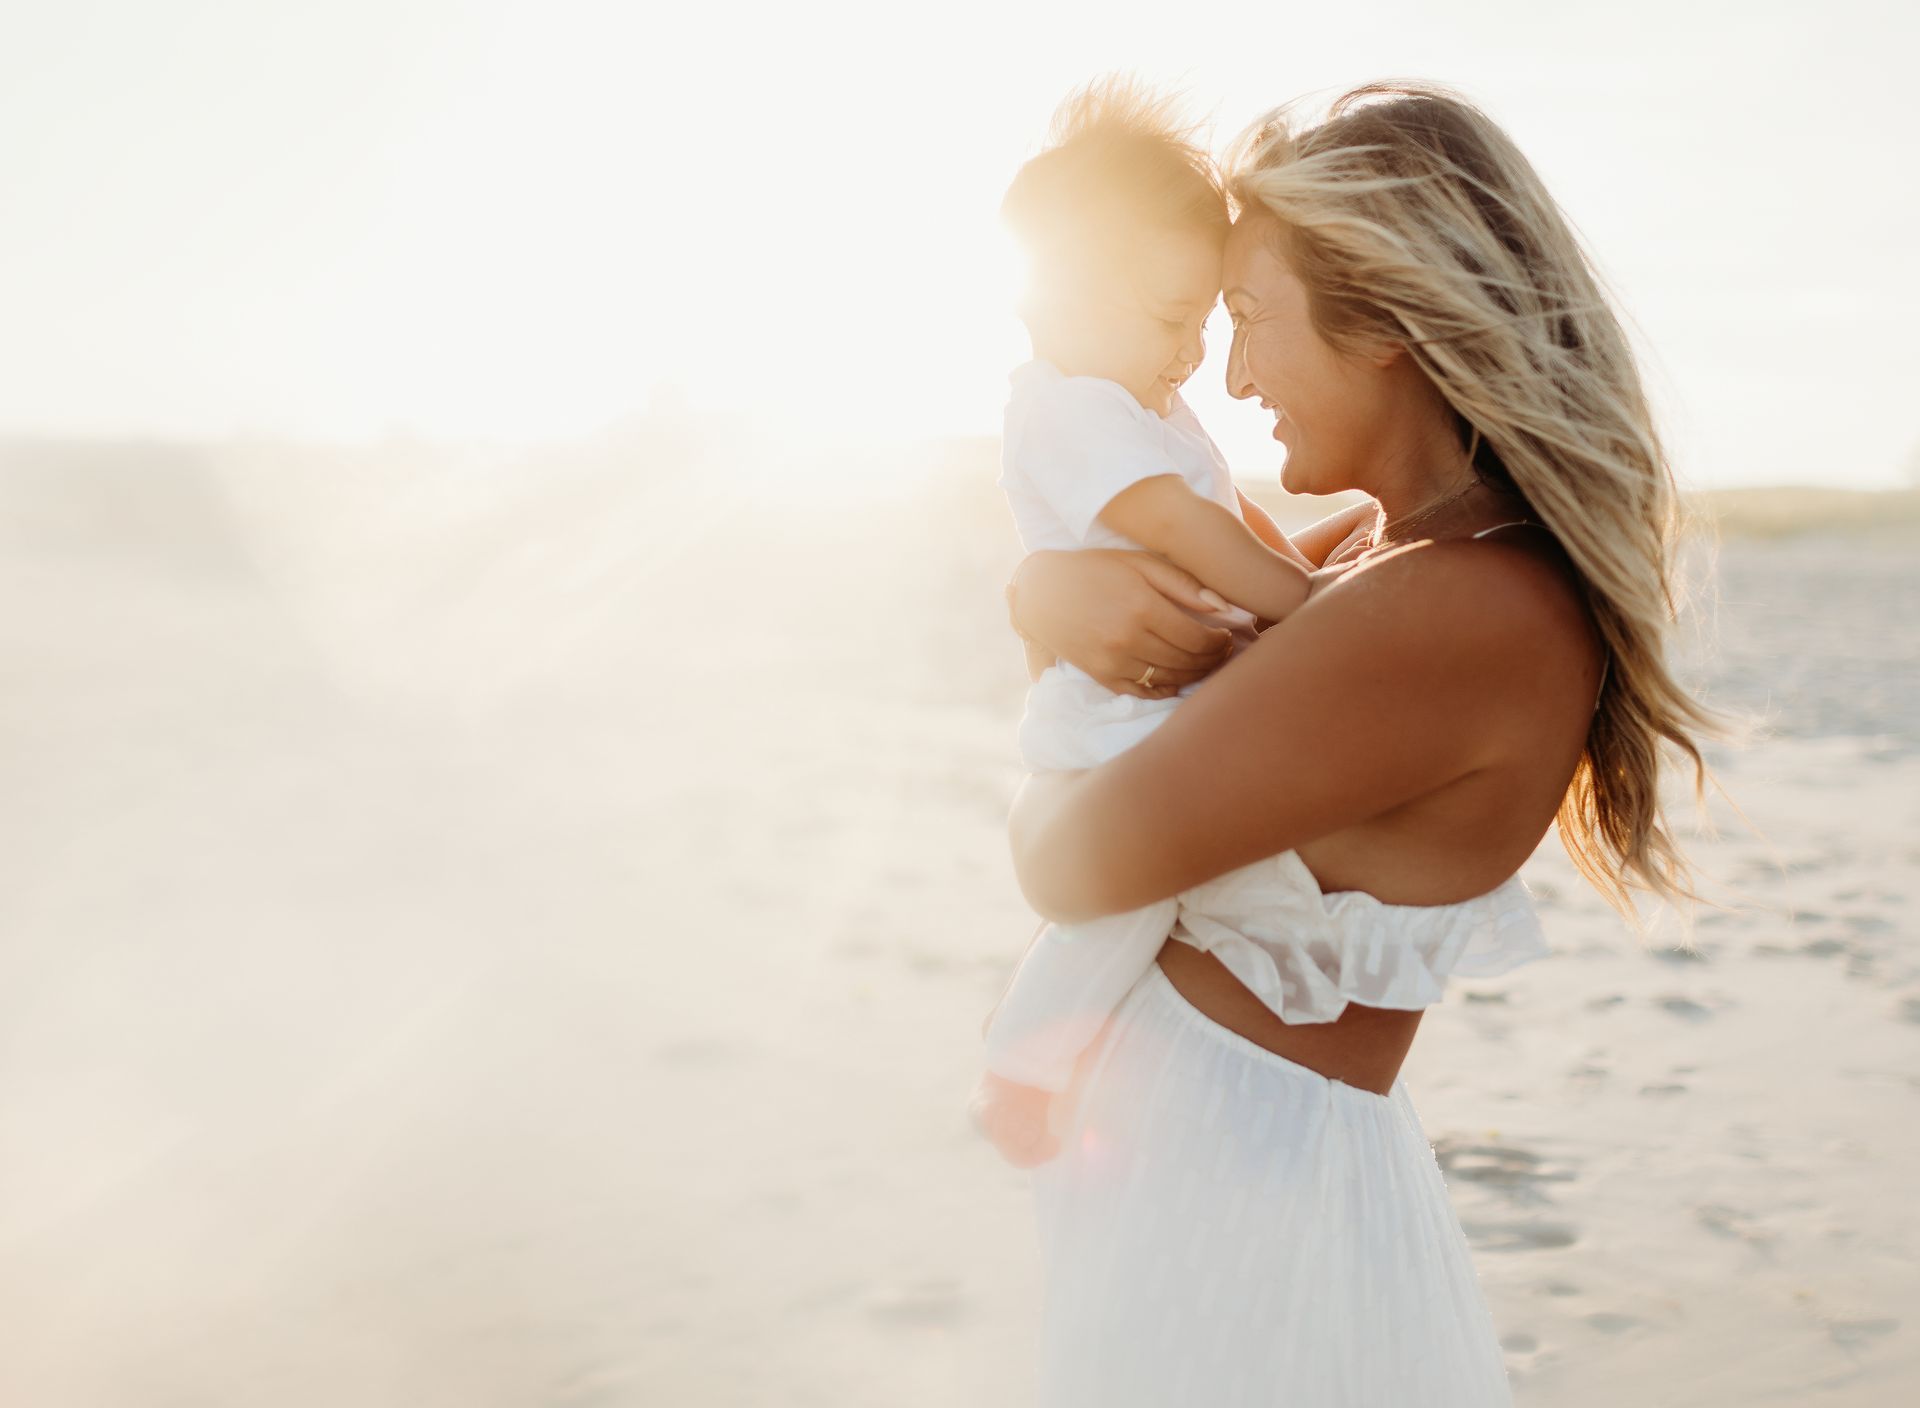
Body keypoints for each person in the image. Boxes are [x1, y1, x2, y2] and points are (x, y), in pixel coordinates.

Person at [989, 81, 1723, 1406]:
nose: (1231, 375)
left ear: (1382, 321)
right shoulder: (1385, 567)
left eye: (1252, 319)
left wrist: (1050, 630)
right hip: (1200, 1184)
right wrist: (1049, 597)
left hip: (1236, 1217)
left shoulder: (1456, 609)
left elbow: (1071, 863)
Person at [971, 78, 1346, 1167]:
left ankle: (1125, 1052)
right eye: (1172, 321)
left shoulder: (1142, 403)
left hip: (1161, 701)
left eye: (1207, 322)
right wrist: (1311, 614)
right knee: (1134, 897)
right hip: (1115, 716)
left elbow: (1237, 521)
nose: (1193, 357)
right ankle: (1022, 1061)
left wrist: (1300, 586)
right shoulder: (1066, 407)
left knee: (1188, 885)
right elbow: (1181, 527)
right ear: (1062, 289)